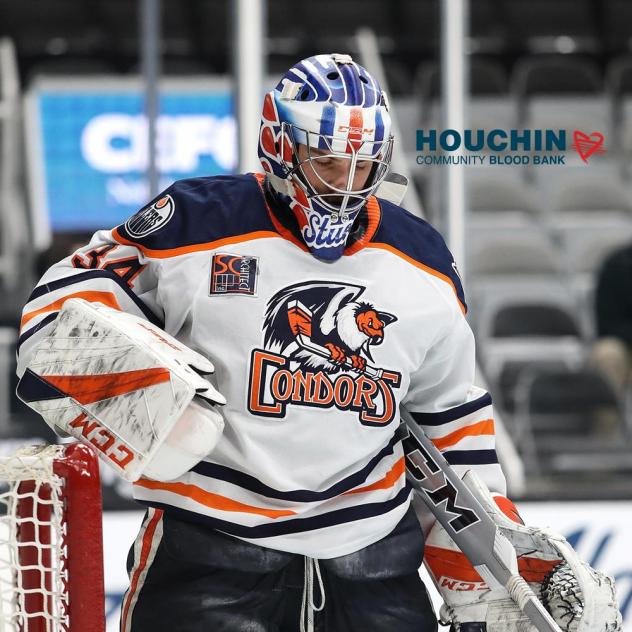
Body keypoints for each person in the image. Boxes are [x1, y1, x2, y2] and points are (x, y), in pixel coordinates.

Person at [16, 54, 508, 632]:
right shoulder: (195, 221)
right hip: (208, 554)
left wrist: (490, 575)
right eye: (327, 163)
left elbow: (449, 423)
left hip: (373, 562)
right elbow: (60, 310)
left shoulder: (424, 262)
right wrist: (139, 385)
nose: (347, 186)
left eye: (363, 166)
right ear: (279, 146)